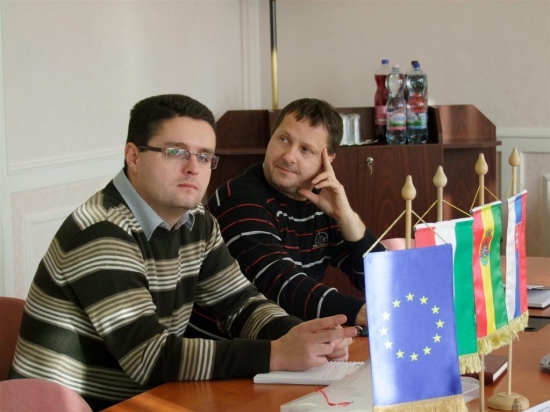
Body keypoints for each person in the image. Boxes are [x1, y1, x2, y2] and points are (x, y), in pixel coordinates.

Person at [9, 94, 357, 411]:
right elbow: (148, 356)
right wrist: (276, 354)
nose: (193, 167)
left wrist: (306, 338)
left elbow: (240, 304)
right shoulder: (101, 230)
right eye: (176, 152)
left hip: (148, 400)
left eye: (204, 156)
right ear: (133, 156)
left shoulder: (197, 222)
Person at [186, 98, 386, 341]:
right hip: (223, 350)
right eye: (283, 139)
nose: (289, 156)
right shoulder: (238, 197)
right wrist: (360, 312)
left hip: (285, 343)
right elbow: (278, 283)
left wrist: (346, 217)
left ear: (328, 160)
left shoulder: (322, 201)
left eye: (306, 150)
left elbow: (382, 281)